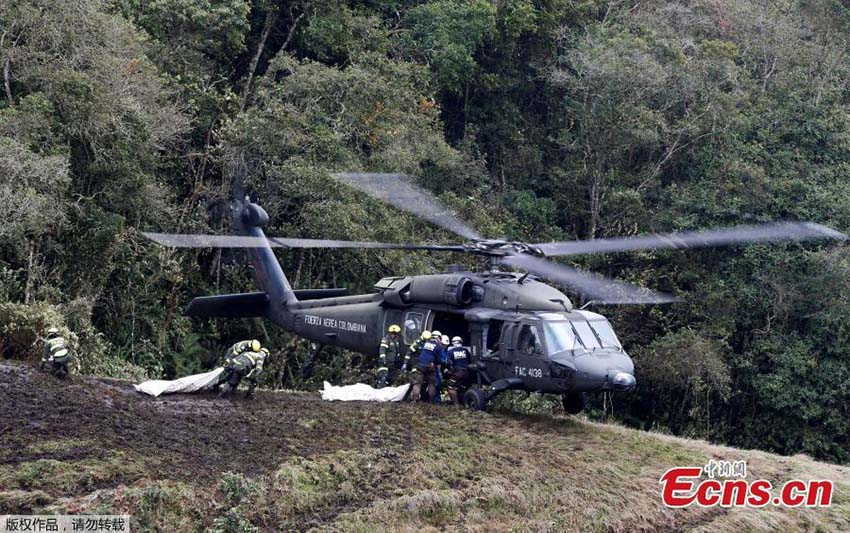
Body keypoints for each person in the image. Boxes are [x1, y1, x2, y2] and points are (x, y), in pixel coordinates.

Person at [409, 333, 441, 402]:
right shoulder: (438, 346)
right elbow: (438, 361)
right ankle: (430, 401)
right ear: (437, 338)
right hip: (430, 366)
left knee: (417, 383)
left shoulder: (424, 343)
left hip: (420, 365)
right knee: (432, 384)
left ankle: (414, 400)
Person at [446, 336, 472, 405]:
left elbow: (448, 363)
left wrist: (450, 370)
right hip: (467, 373)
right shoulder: (466, 351)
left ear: (453, 343)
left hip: (457, 373)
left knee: (450, 387)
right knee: (463, 388)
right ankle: (465, 403)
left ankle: (456, 405)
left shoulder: (450, 352)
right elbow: (470, 361)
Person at [432, 334, 451, 404]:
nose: (445, 346)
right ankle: (435, 401)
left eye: (446, 345)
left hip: (442, 368)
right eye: (444, 344)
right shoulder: (437, 349)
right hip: (435, 368)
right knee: (436, 384)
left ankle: (438, 400)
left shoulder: (446, 351)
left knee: (439, 384)